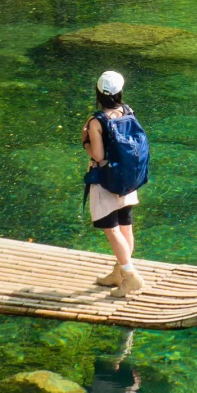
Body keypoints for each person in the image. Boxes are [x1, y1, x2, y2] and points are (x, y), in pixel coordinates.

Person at [82, 70, 146, 298]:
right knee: (125, 224)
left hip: (106, 180)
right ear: (120, 92)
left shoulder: (97, 121)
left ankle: (130, 275)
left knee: (111, 228)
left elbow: (98, 156)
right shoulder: (128, 111)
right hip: (128, 179)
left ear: (98, 92)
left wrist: (85, 142)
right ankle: (119, 272)